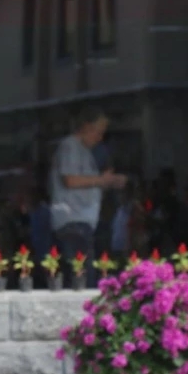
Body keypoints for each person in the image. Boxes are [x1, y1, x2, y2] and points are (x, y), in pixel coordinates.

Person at [49, 107, 125, 278]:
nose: (99, 138)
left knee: (86, 275)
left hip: (83, 222)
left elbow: (86, 182)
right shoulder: (70, 146)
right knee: (81, 277)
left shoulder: (84, 151)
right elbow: (69, 180)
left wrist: (108, 181)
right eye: (98, 132)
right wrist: (101, 180)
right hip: (72, 221)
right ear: (86, 127)